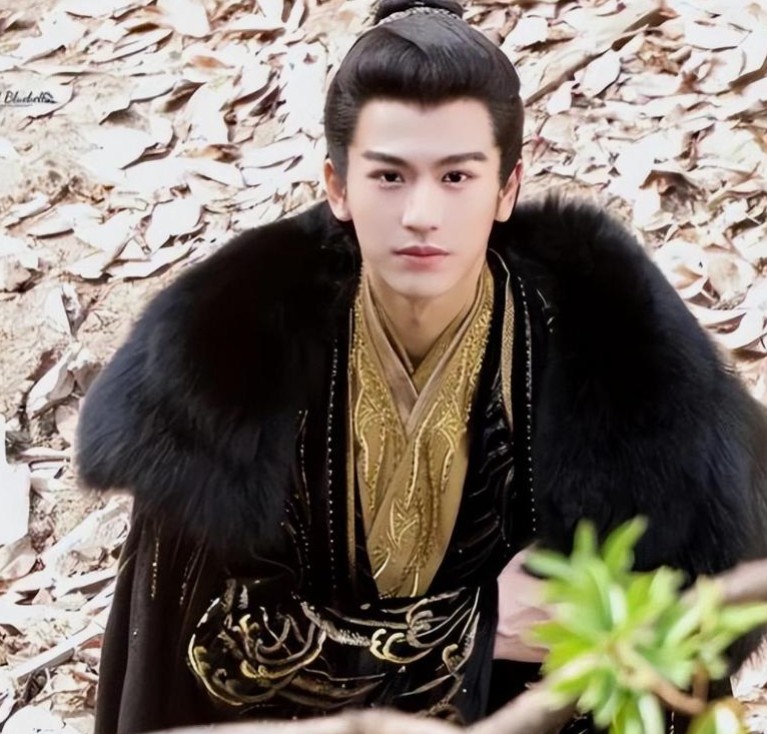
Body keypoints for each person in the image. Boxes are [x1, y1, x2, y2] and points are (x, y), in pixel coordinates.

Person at [75, 1, 767, 732]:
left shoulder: (608, 349)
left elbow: (688, 616)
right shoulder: (232, 362)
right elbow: (217, 648)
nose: (421, 215)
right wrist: (477, 627)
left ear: (507, 188)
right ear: (337, 186)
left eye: (457, 176)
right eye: (389, 176)